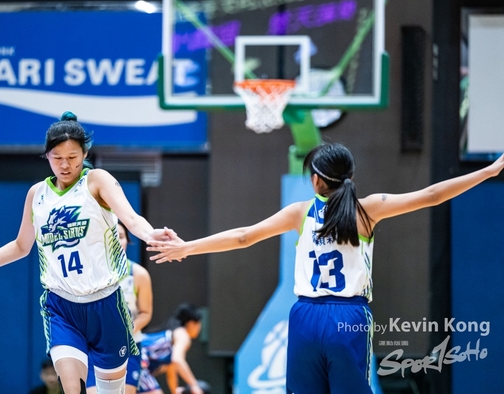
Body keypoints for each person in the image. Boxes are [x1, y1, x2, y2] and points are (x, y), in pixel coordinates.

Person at [147, 143, 504, 394]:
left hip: (305, 316)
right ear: (349, 176)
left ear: (316, 179)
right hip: (348, 316)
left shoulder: (300, 212)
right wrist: (489, 170)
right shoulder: (368, 209)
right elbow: (432, 195)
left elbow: (243, 237)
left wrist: (187, 247)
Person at [0, 111, 170, 394]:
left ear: (85, 154)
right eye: (57, 157)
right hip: (61, 306)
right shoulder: (36, 194)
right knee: (73, 389)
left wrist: (151, 234)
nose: (65, 164)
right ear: (47, 156)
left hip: (106, 303)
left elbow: (132, 219)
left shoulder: (97, 180)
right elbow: (21, 246)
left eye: (72, 157)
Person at [86, 221, 154, 394]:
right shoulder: (87, 273)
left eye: (121, 236)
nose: (116, 240)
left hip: (128, 346)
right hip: (95, 347)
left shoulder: (138, 274)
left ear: (127, 242)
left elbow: (145, 313)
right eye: (111, 236)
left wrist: (123, 332)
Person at [137, 303, 204, 394]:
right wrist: (194, 385)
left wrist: (174, 391)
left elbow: (171, 373)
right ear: (191, 323)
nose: (200, 328)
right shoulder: (182, 335)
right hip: (139, 357)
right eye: (199, 324)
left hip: (132, 355)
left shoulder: (174, 335)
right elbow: (177, 359)